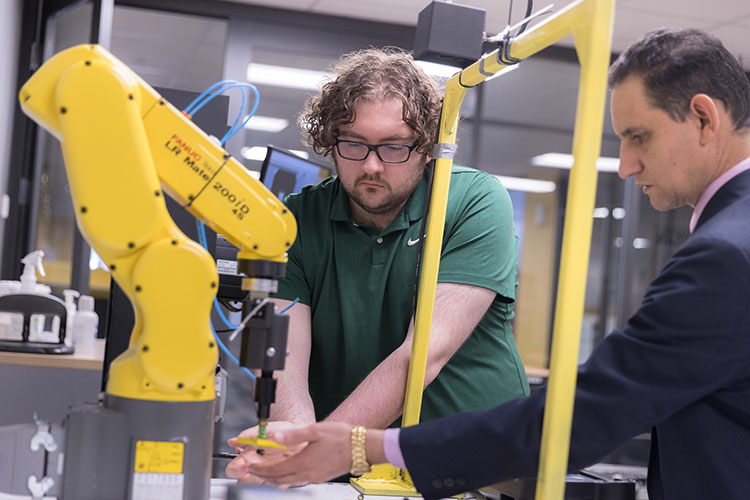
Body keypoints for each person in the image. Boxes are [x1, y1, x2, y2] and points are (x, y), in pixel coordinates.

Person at [242, 28, 750, 500]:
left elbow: (591, 413)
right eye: (353, 144)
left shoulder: (725, 255)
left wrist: (354, 447)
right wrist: (304, 439)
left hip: (471, 475)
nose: (624, 164)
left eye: (638, 136)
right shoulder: (301, 215)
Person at [226, 48, 530, 481]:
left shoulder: (472, 202)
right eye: (353, 143)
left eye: (393, 147)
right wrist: (295, 436)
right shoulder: (292, 221)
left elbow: (422, 355)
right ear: (330, 141)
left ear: (427, 148)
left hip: (473, 464)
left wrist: (323, 450)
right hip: (351, 471)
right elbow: (283, 355)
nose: (370, 165)